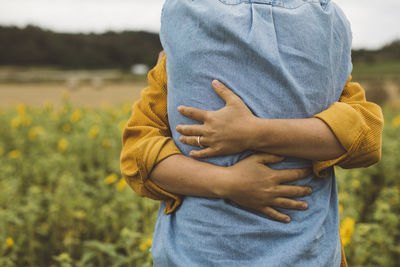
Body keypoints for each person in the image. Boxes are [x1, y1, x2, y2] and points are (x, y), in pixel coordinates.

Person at [121, 1, 383, 266]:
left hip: (194, 255)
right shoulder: (329, 23)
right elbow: (366, 137)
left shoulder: (185, 19)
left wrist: (252, 133)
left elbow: (138, 156)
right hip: (310, 256)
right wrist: (230, 181)